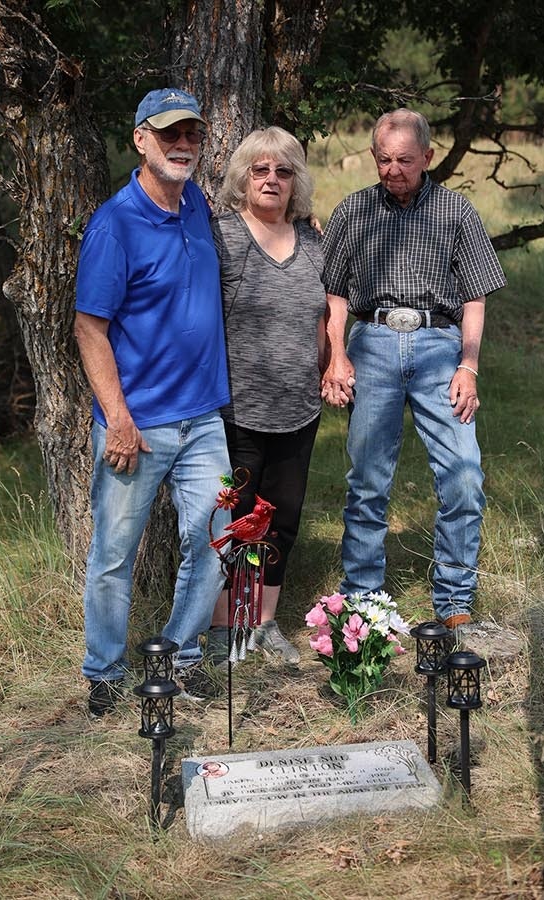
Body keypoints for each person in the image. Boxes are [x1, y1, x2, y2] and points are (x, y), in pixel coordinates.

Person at [319, 108, 508, 640]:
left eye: (404, 159)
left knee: (464, 474)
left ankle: (453, 600)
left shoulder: (455, 211)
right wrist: (337, 355)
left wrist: (468, 366)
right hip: (373, 342)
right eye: (384, 159)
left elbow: (474, 296)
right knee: (368, 480)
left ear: (427, 156)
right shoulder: (354, 210)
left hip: (439, 345)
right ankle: (363, 605)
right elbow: (333, 293)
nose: (393, 169)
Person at [74, 87, 231, 717]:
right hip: (136, 424)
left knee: (217, 537)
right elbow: (90, 329)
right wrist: (117, 419)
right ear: (140, 139)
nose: (183, 144)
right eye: (169, 134)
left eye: (191, 133)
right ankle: (105, 672)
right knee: (115, 552)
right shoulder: (115, 224)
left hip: (203, 418)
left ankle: (178, 655)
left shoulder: (196, 201)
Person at [204, 126, 341, 669]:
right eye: (260, 170)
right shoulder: (223, 236)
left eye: (283, 172)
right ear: (243, 177)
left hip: (298, 409)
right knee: (233, 521)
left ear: (295, 181)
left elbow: (330, 308)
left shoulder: (313, 241)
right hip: (235, 411)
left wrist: (335, 358)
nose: (271, 180)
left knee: (281, 521)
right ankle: (222, 630)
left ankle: (262, 624)